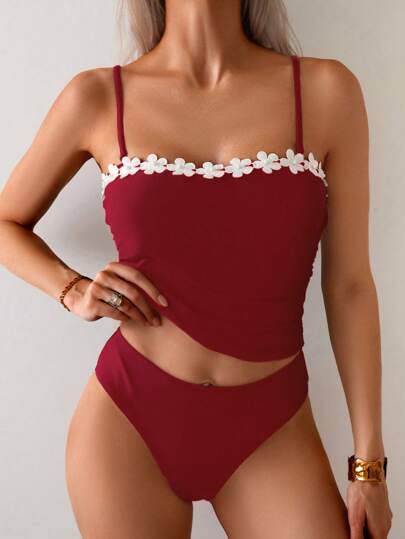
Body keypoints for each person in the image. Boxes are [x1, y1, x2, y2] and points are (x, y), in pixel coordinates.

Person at [0, 1, 393, 538]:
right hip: (129, 420)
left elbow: (349, 287)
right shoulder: (97, 97)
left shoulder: (326, 92)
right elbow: (6, 222)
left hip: (272, 425)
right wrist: (72, 289)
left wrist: (369, 465)